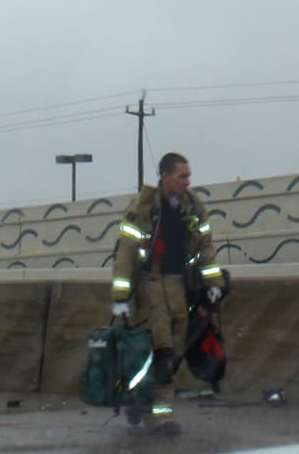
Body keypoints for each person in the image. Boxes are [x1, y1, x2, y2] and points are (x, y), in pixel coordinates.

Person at [110, 152, 228, 436]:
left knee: (174, 352)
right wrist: (120, 297)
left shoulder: (193, 207)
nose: (188, 181)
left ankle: (143, 403)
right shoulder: (142, 208)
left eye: (188, 176)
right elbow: (126, 253)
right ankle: (159, 417)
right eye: (182, 176)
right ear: (165, 176)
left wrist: (214, 284)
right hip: (150, 286)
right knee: (161, 351)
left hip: (179, 287)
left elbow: (205, 247)